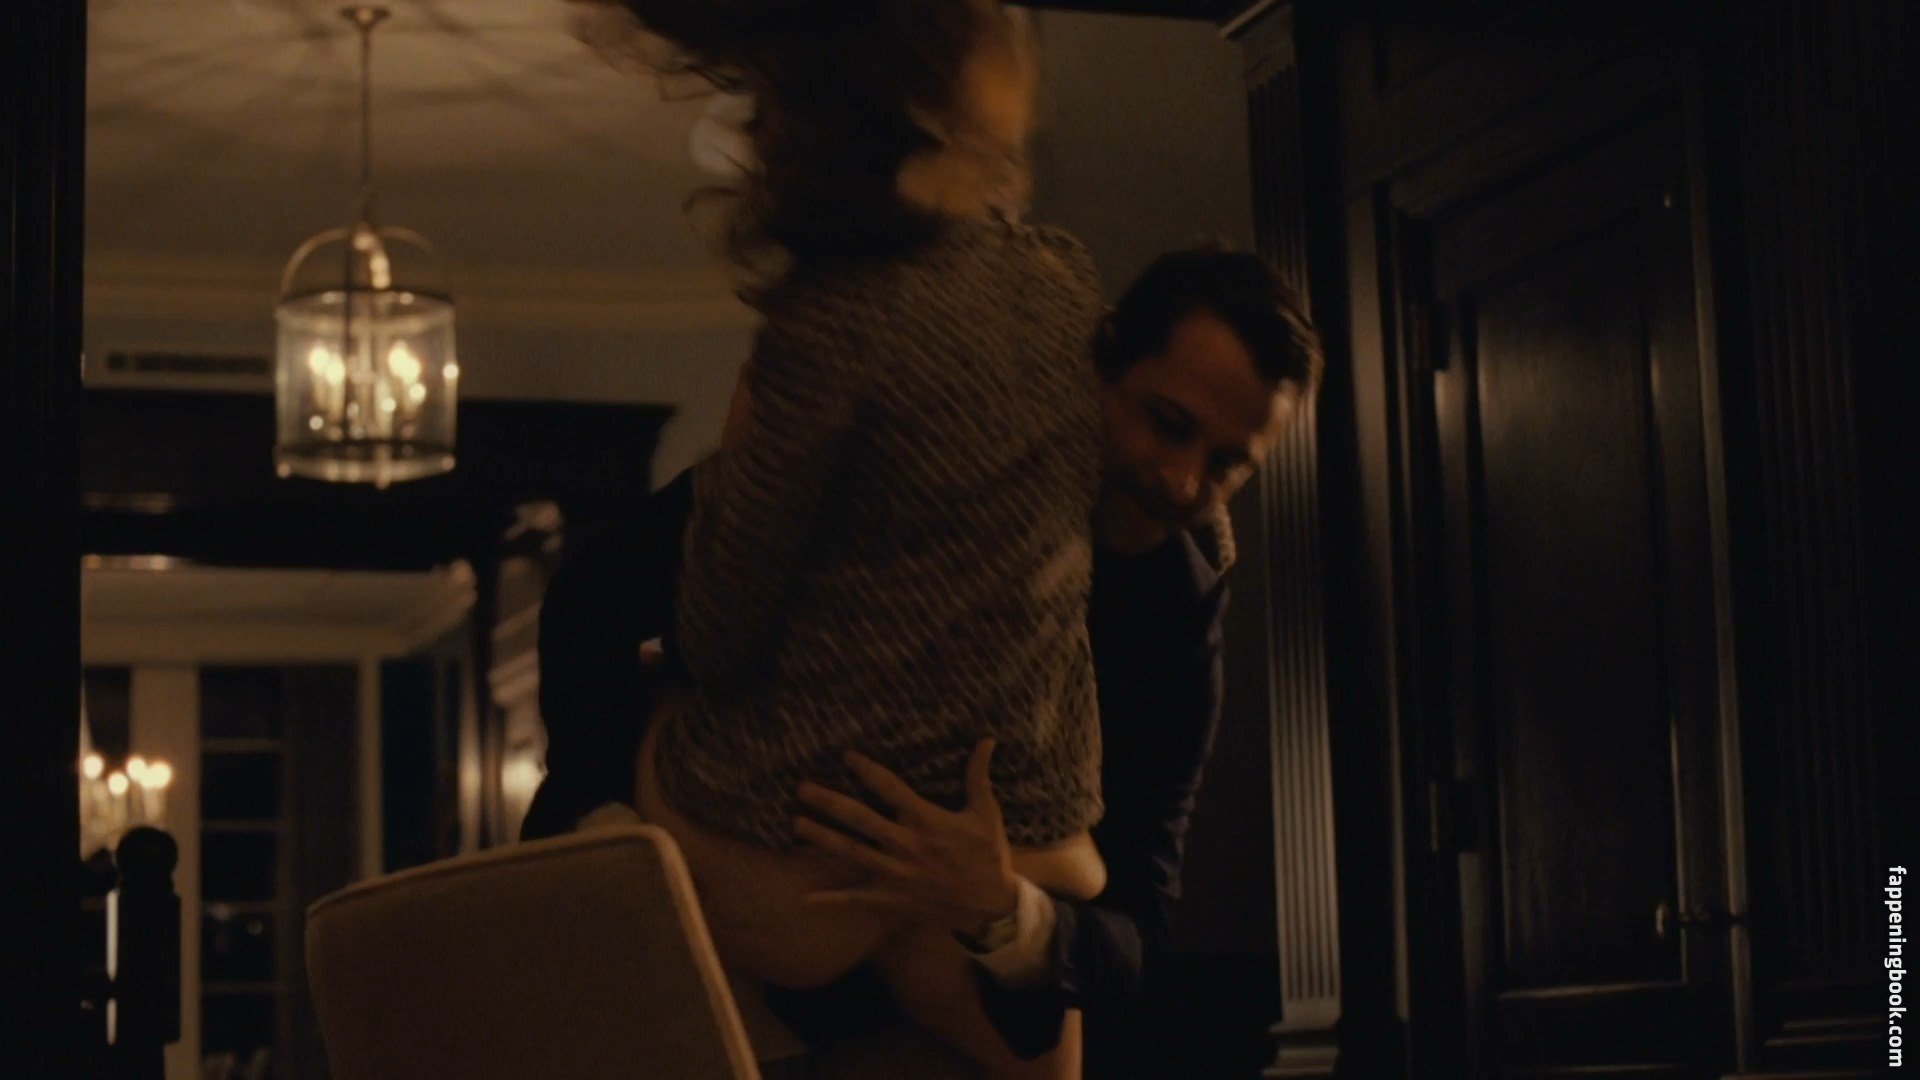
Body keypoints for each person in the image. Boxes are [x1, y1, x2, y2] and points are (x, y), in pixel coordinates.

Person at [527, 248, 1324, 1071]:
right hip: (706, 893)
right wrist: (614, 835)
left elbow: (1137, 927)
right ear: (1102, 361)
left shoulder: (1173, 607)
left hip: (924, 994)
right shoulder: (925, 442)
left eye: (1228, 464)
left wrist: (1001, 909)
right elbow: (594, 595)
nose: (1184, 483)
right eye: (1169, 424)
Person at [566, 0, 1111, 1072]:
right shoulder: (1065, 284)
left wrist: (738, 462)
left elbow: (723, 630)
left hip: (800, 847)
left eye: (770, 107)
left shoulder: (826, 325)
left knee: (657, 708)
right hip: (1014, 834)